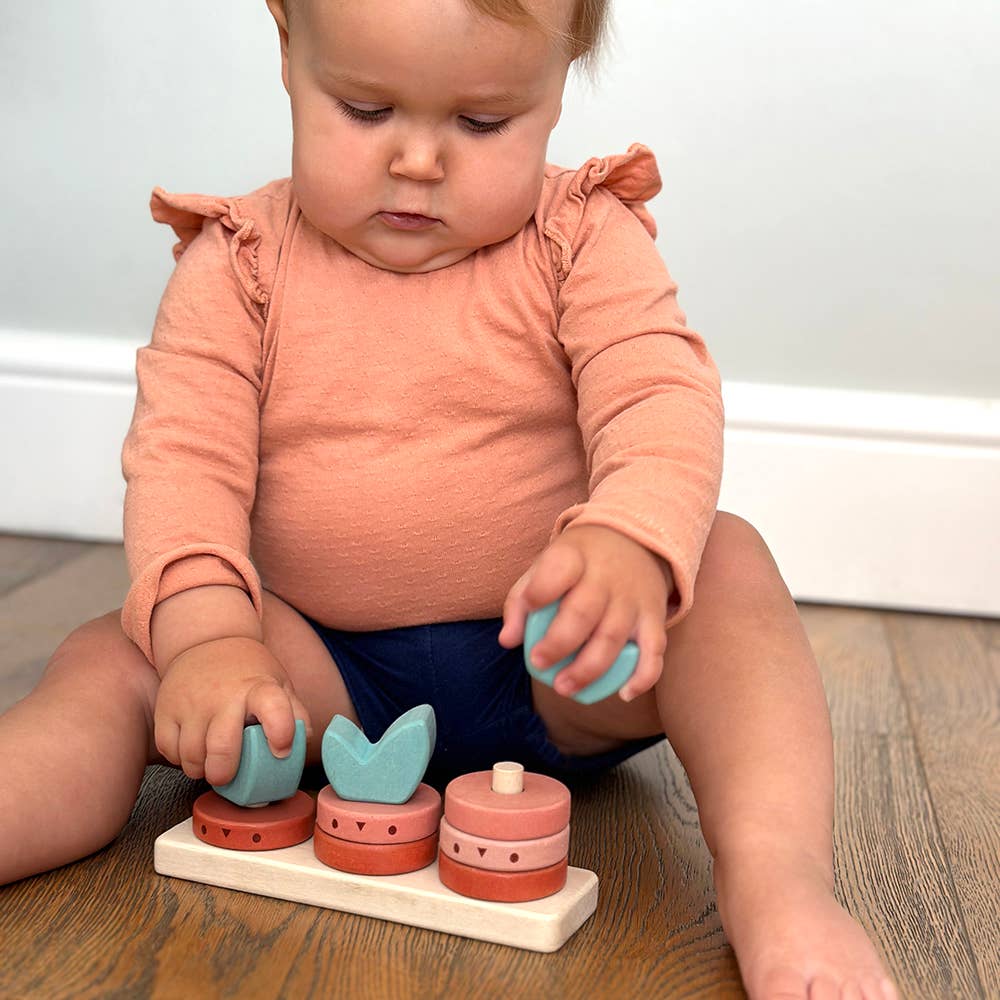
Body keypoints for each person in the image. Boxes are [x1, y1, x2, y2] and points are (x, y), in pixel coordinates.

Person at [0, 1, 898, 996]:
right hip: (315, 672)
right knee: (115, 659)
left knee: (724, 561)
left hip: (558, 660)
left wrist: (629, 542)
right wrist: (210, 639)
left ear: (558, 85)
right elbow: (185, 467)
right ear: (290, 47)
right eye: (365, 110)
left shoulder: (578, 238)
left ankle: (779, 876)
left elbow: (658, 396)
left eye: (481, 123)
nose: (418, 161)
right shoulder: (240, 266)